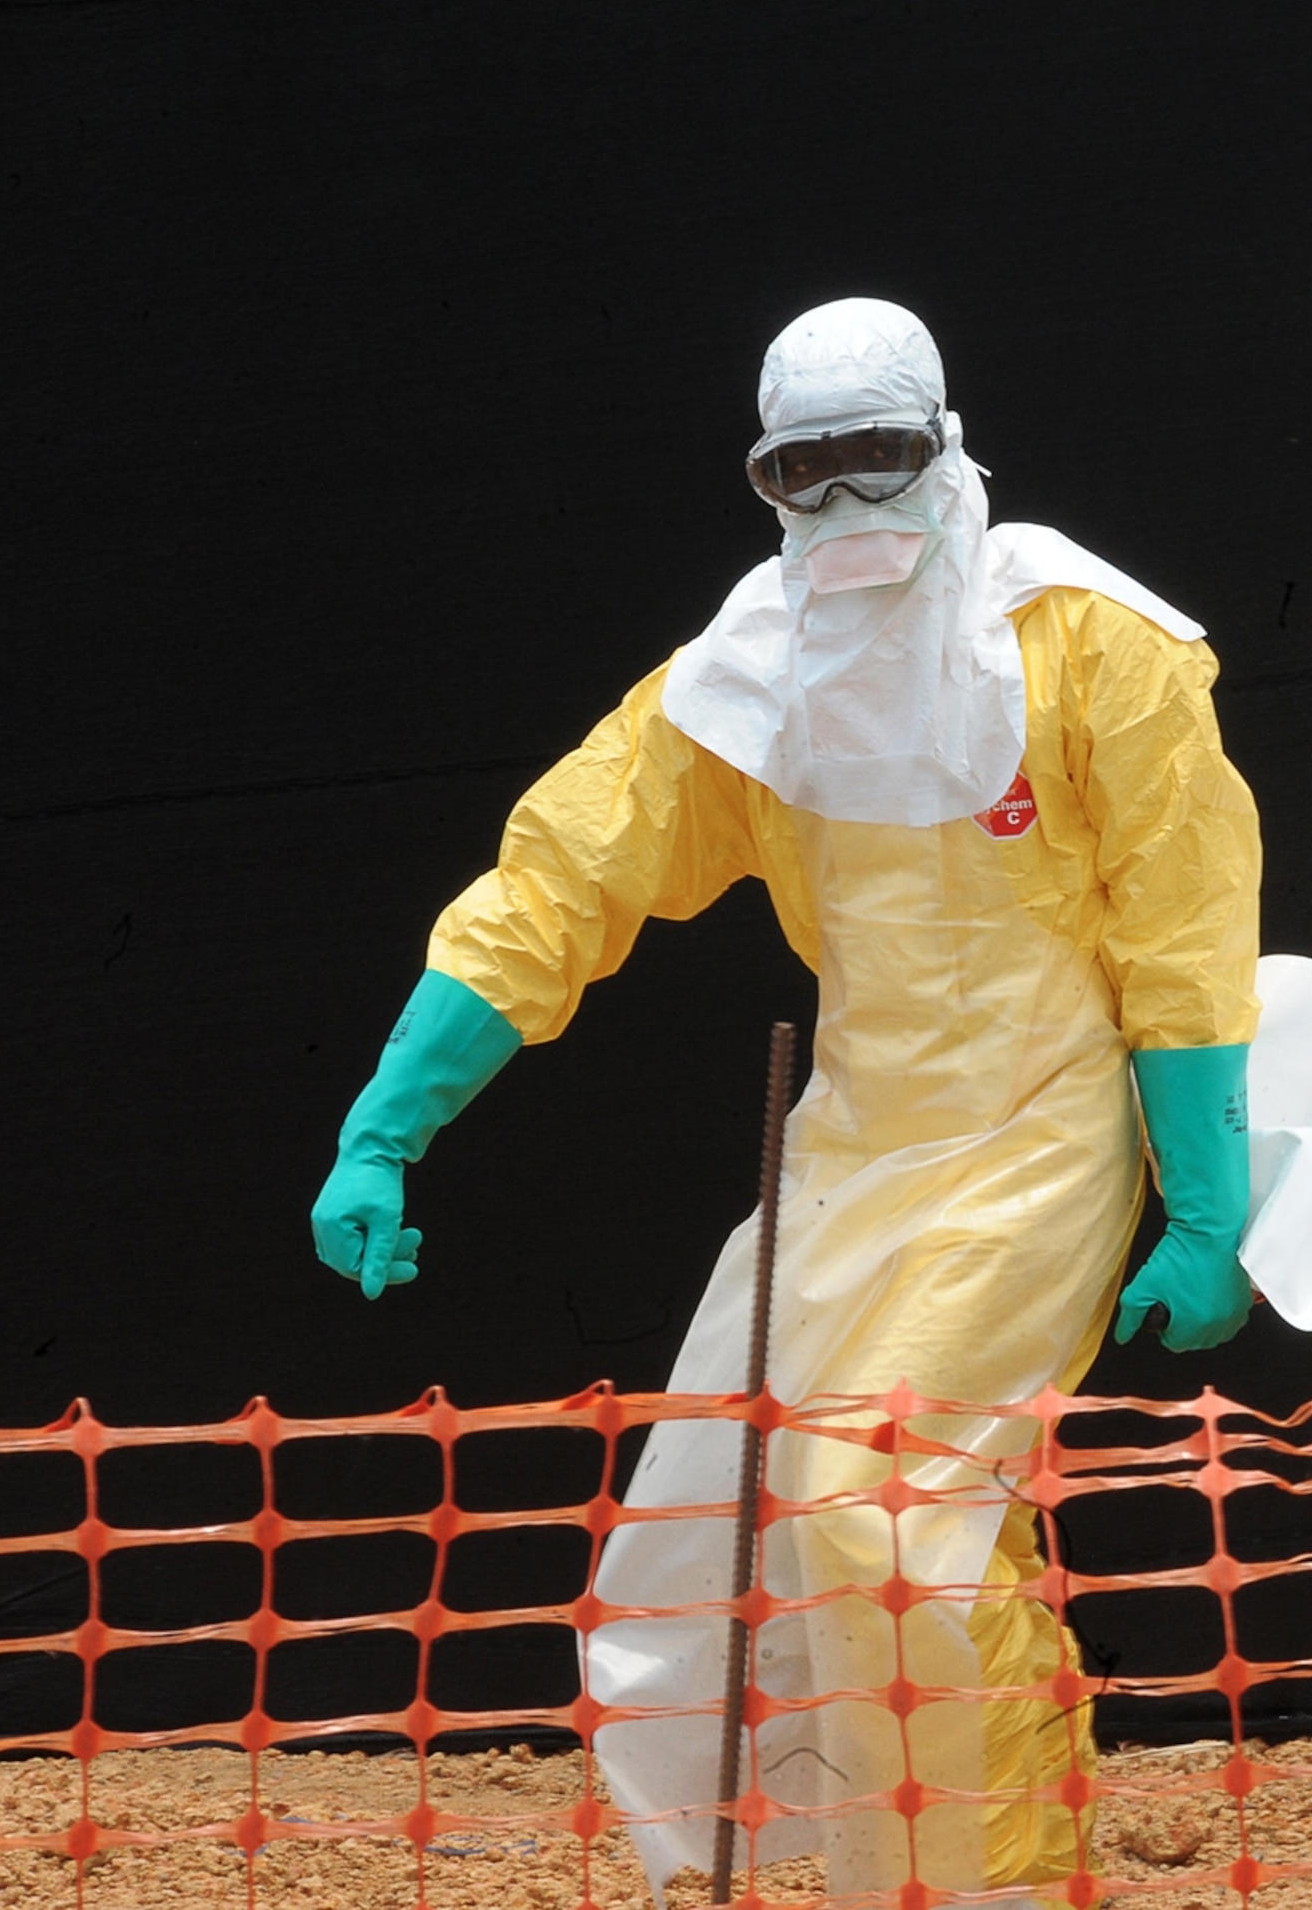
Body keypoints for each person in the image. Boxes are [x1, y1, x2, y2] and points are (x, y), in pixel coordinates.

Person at [304, 298, 1263, 1898]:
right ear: (763, 479)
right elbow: (559, 880)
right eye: (800, 472)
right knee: (714, 1545)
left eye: (875, 457)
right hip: (851, 1150)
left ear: (945, 440)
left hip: (1040, 1134)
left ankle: (1003, 1881)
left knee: (880, 1504)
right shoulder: (748, 679)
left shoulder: (1090, 643)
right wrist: (387, 1124)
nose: (843, 503)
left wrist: (1204, 1195)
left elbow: (1184, 930)